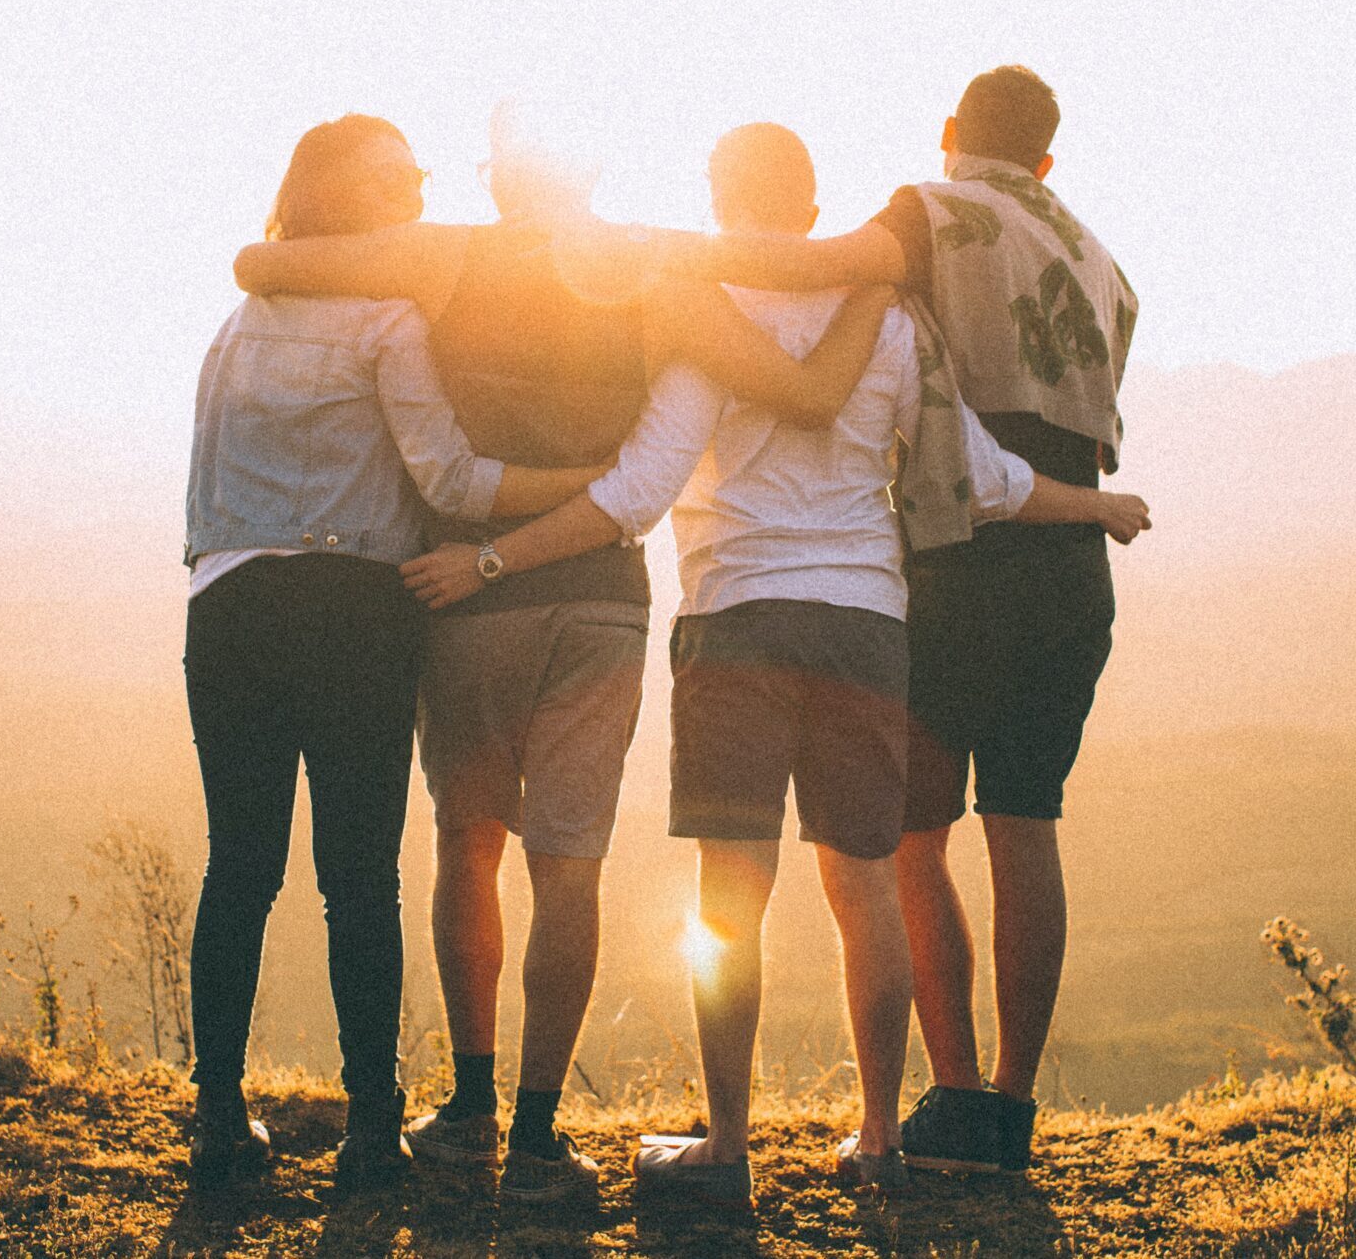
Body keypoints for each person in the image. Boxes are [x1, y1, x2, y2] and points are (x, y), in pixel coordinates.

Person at [400, 123, 1150, 1204]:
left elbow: (637, 492)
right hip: (865, 626)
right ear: (811, 211)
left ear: (716, 200)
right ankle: (881, 1136)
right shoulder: (890, 320)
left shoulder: (704, 315)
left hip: (735, 620)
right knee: (865, 890)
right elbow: (982, 477)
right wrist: (1097, 505)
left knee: (729, 899)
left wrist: (492, 557)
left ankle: (728, 1144)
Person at [231, 107, 891, 1202]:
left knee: (468, 840)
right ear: (590, 167)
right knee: (568, 863)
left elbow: (268, 261)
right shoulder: (652, 269)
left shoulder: (444, 255)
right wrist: (874, 278)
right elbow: (793, 386)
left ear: (498, 179)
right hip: (600, 599)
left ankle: (470, 1104)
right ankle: (539, 1134)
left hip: (466, 591)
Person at [668, 66, 1142, 1173]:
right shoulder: (1103, 261)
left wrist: (648, 257)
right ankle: (1007, 1113)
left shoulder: (929, 212)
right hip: (1067, 560)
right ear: (1048, 158)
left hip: (957, 554)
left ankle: (951, 1098)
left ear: (948, 134)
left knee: (907, 843)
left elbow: (817, 266)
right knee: (1026, 824)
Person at [180, 113, 608, 1193]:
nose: (418, 191)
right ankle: (373, 1126)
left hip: (227, 606)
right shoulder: (386, 320)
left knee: (239, 868)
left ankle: (219, 1118)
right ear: (348, 199)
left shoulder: (236, 326)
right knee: (357, 879)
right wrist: (587, 487)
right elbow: (453, 484)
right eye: (398, 178)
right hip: (354, 613)